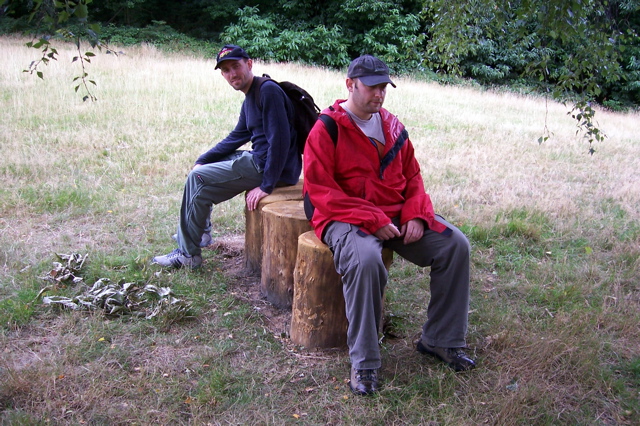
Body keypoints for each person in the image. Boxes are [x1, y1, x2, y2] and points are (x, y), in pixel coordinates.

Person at [303, 55, 475, 396]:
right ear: (350, 84)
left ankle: (441, 340)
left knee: (456, 245)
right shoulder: (327, 128)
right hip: (345, 215)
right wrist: (372, 218)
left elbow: (413, 176)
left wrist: (415, 212)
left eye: (384, 87)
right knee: (366, 260)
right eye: (372, 86)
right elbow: (320, 191)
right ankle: (365, 363)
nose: (379, 94)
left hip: (396, 213)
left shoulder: (393, 127)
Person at [153, 44, 302, 269]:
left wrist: (267, 185)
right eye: (226, 70)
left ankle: (187, 255)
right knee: (201, 170)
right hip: (261, 160)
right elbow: (236, 137)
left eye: (236, 66)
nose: (232, 74)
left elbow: (279, 141)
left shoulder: (267, 90)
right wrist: (202, 159)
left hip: (270, 168)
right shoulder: (250, 97)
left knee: (198, 179)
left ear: (249, 64)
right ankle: (200, 233)